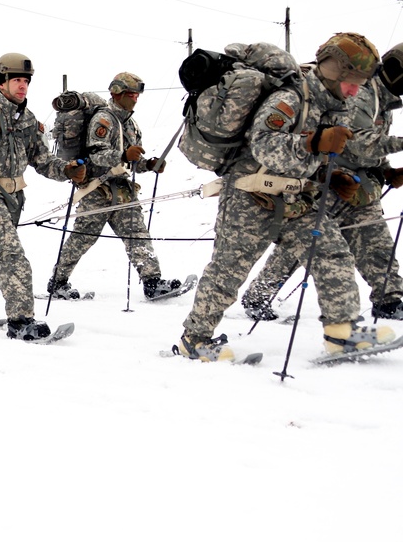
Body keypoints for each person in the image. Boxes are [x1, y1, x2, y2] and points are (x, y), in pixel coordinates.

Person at [177, 32, 395, 361]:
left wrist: (333, 171)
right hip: (250, 195)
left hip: (296, 198)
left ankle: (342, 333)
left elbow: (354, 143)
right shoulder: (292, 98)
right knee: (228, 271)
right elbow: (263, 145)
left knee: (332, 253)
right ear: (336, 72)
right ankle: (195, 339)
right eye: (353, 81)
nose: (356, 89)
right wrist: (313, 143)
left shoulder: (337, 106)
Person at [241, 42, 403, 322]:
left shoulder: (383, 100)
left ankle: (390, 299)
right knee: (302, 246)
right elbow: (355, 144)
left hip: (361, 187)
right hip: (328, 181)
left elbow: (369, 146)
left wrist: (386, 170)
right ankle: (259, 295)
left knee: (376, 242)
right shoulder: (360, 91)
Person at [0, 52, 86, 340]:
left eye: (25, 80)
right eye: (16, 80)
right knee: (12, 256)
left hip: (15, 199)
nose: (22, 86)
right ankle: (21, 320)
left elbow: (43, 159)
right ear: (1, 82)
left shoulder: (28, 120)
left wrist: (67, 170)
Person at [47, 72, 183, 301]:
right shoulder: (104, 120)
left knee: (137, 233)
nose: (135, 98)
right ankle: (58, 281)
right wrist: (122, 154)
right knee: (83, 237)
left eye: (137, 94)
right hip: (96, 189)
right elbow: (97, 154)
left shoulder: (130, 124)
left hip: (121, 189)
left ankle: (152, 281)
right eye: (130, 94)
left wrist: (149, 164)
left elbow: (133, 159)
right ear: (117, 94)